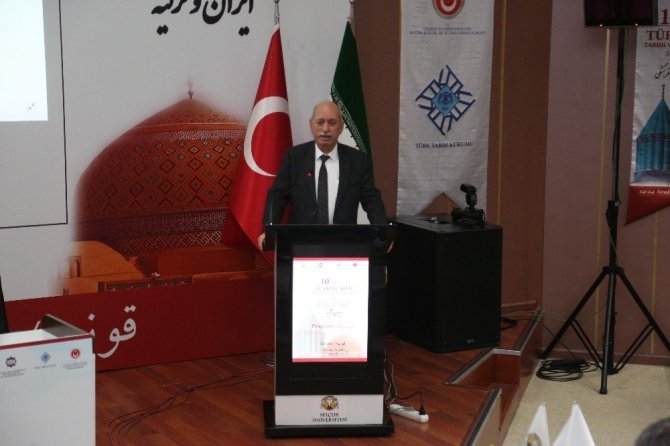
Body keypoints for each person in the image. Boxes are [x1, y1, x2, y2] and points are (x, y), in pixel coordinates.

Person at [257, 100, 387, 249]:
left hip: (344, 243)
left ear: (341, 127)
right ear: (311, 125)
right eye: (320, 122)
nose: (325, 129)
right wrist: (269, 230)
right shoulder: (294, 157)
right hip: (301, 244)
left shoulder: (358, 160)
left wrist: (382, 232)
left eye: (332, 123)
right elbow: (277, 197)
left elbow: (371, 200)